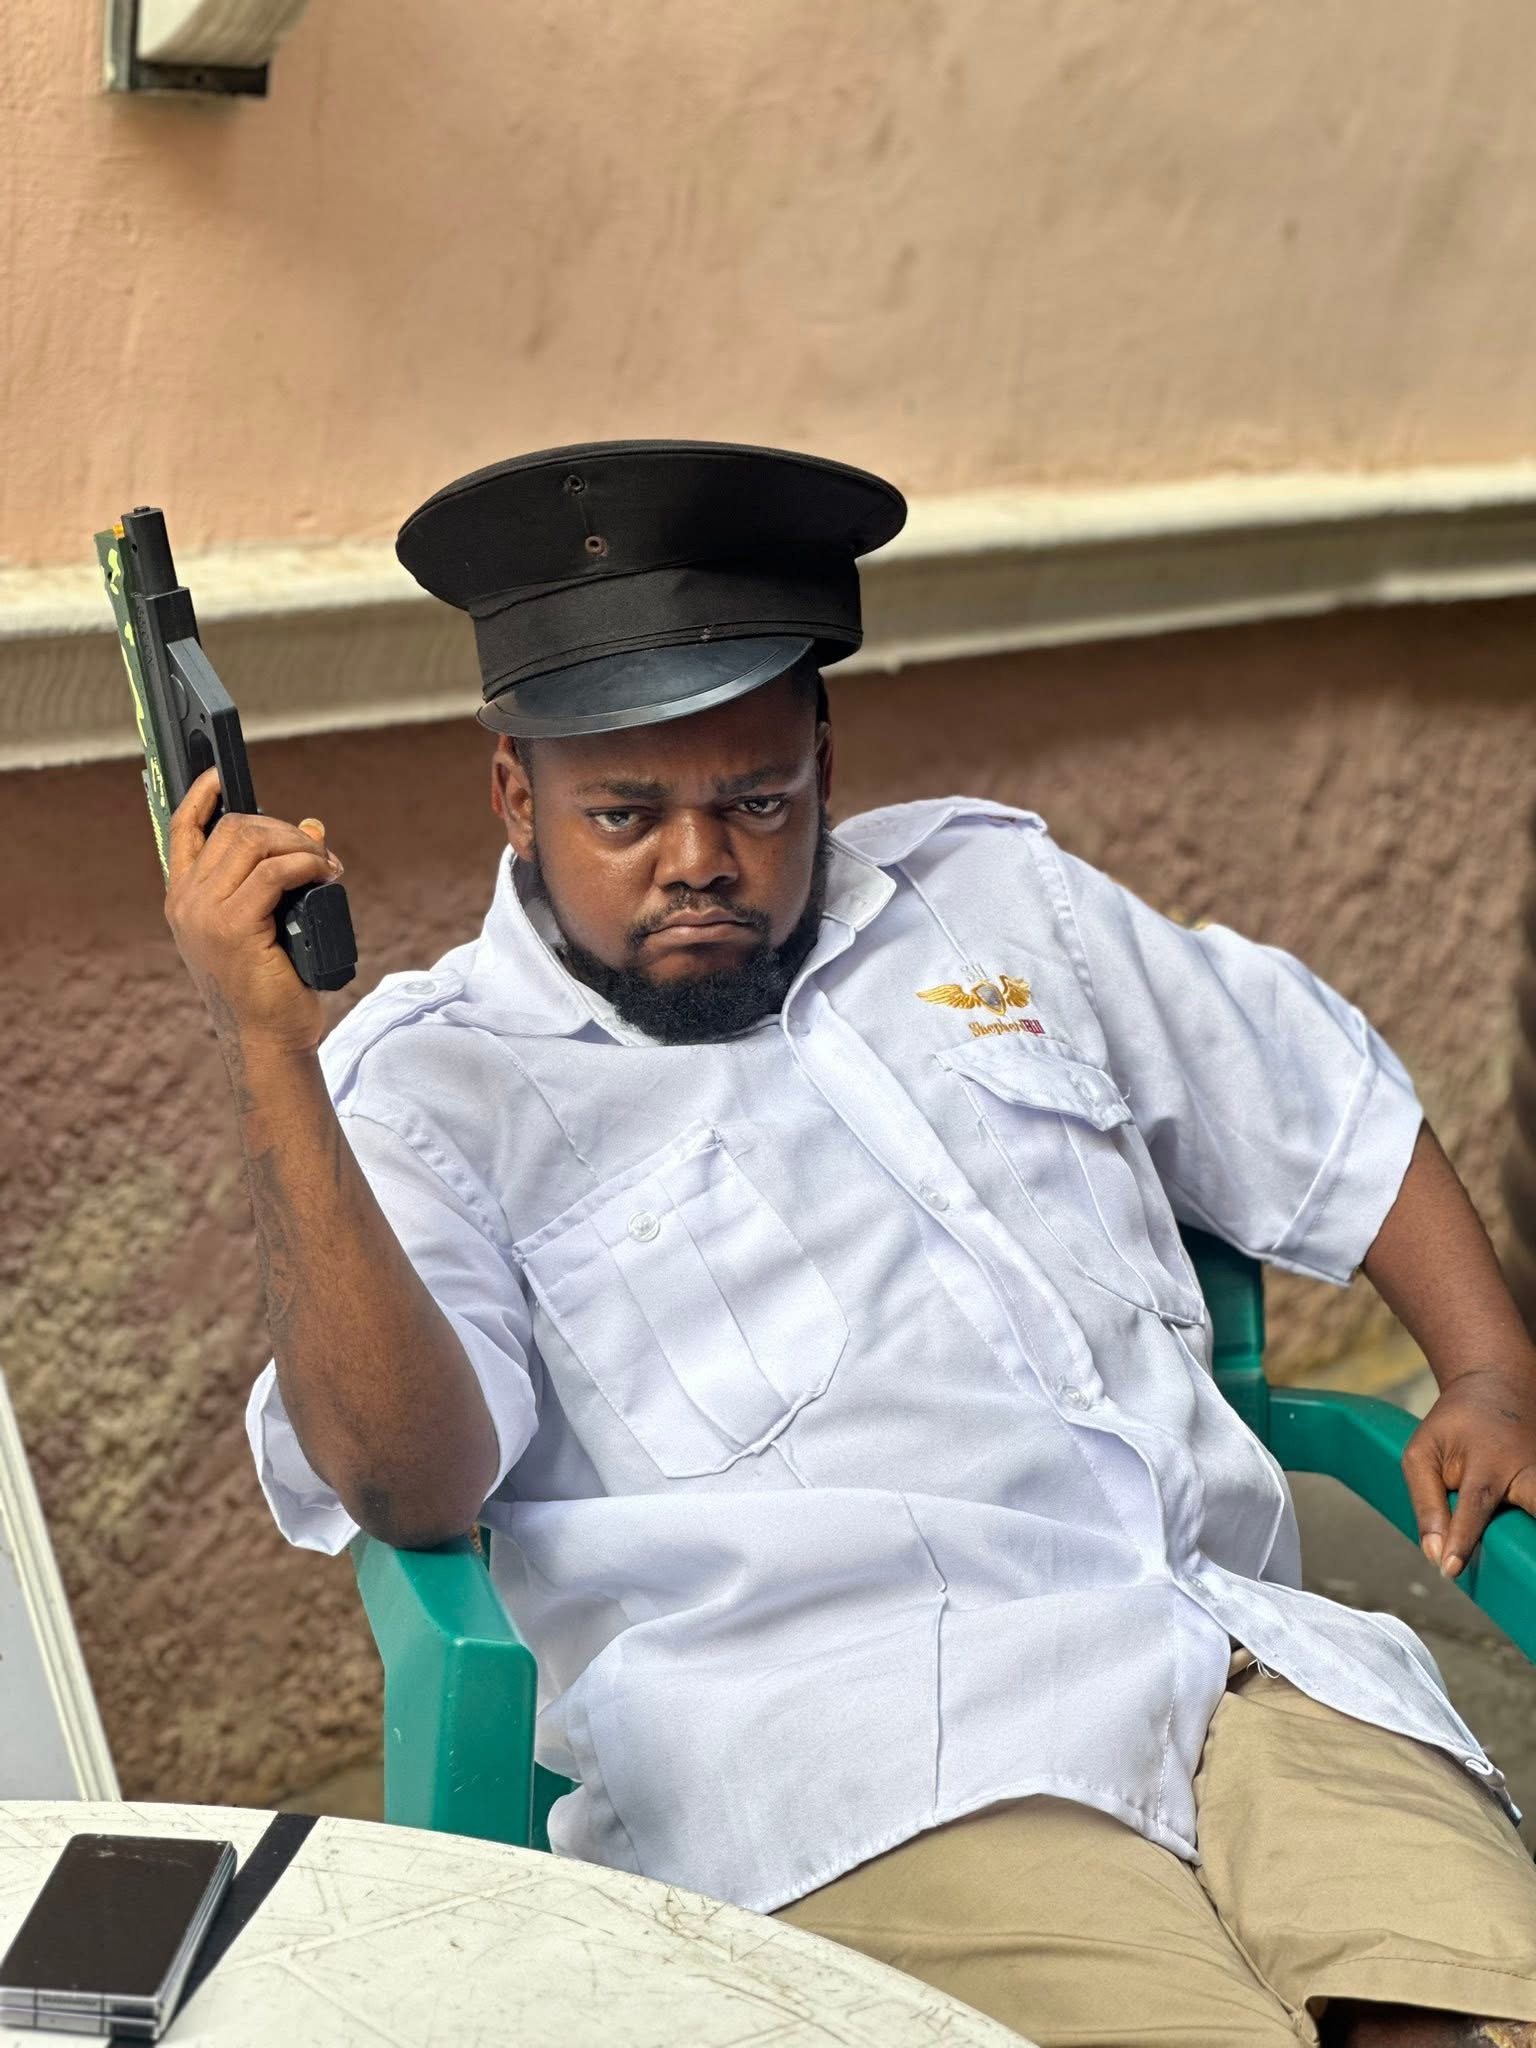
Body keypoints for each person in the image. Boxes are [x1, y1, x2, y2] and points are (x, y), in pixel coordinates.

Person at [166, 442, 1536, 2048]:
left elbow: (1318, 1100)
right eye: (626, 814)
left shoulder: (997, 899)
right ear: (516, 797)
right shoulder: (431, 1089)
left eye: (757, 801)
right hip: (876, 1768)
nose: (700, 860)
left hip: (1256, 1672)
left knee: (1458, 2018)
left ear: (824, 758)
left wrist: (1490, 1366)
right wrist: (273, 1060)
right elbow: (411, 1484)